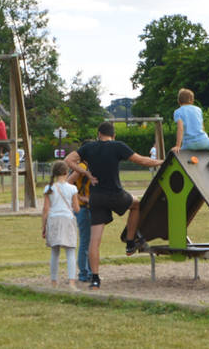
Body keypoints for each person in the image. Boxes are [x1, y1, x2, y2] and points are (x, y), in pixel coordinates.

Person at [64, 121, 163, 290]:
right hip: (116, 194)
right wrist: (162, 162)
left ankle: (95, 279)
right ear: (113, 135)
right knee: (136, 205)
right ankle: (130, 241)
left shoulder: (89, 148)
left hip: (96, 198)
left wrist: (86, 172)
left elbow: (68, 160)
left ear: (98, 134)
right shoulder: (118, 146)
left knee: (94, 241)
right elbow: (142, 161)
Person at [41, 161, 80, 289]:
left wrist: (43, 226)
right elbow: (76, 208)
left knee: (55, 252)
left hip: (53, 219)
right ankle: (72, 282)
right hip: (67, 219)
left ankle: (54, 281)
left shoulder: (49, 188)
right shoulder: (72, 188)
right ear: (66, 172)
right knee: (70, 251)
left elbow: (45, 209)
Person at [171, 88, 209, 174]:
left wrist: (178, 146)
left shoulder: (177, 112)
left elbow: (180, 128)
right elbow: (202, 127)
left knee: (177, 155)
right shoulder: (198, 109)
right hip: (203, 141)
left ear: (178, 101)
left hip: (188, 144)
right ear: (192, 100)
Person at [66, 157, 93, 284]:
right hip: (83, 208)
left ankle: (89, 271)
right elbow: (68, 183)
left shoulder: (85, 166)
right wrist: (81, 198)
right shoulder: (82, 166)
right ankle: (84, 273)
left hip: (87, 208)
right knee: (85, 241)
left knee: (89, 241)